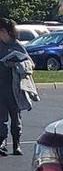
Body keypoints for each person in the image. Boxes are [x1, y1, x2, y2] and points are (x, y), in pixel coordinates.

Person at [0, 17, 30, 156]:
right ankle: (2, 143)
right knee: (1, 118)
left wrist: (16, 64)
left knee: (15, 117)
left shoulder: (17, 46)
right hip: (1, 87)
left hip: (14, 88)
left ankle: (17, 145)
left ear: (6, 31)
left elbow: (30, 64)